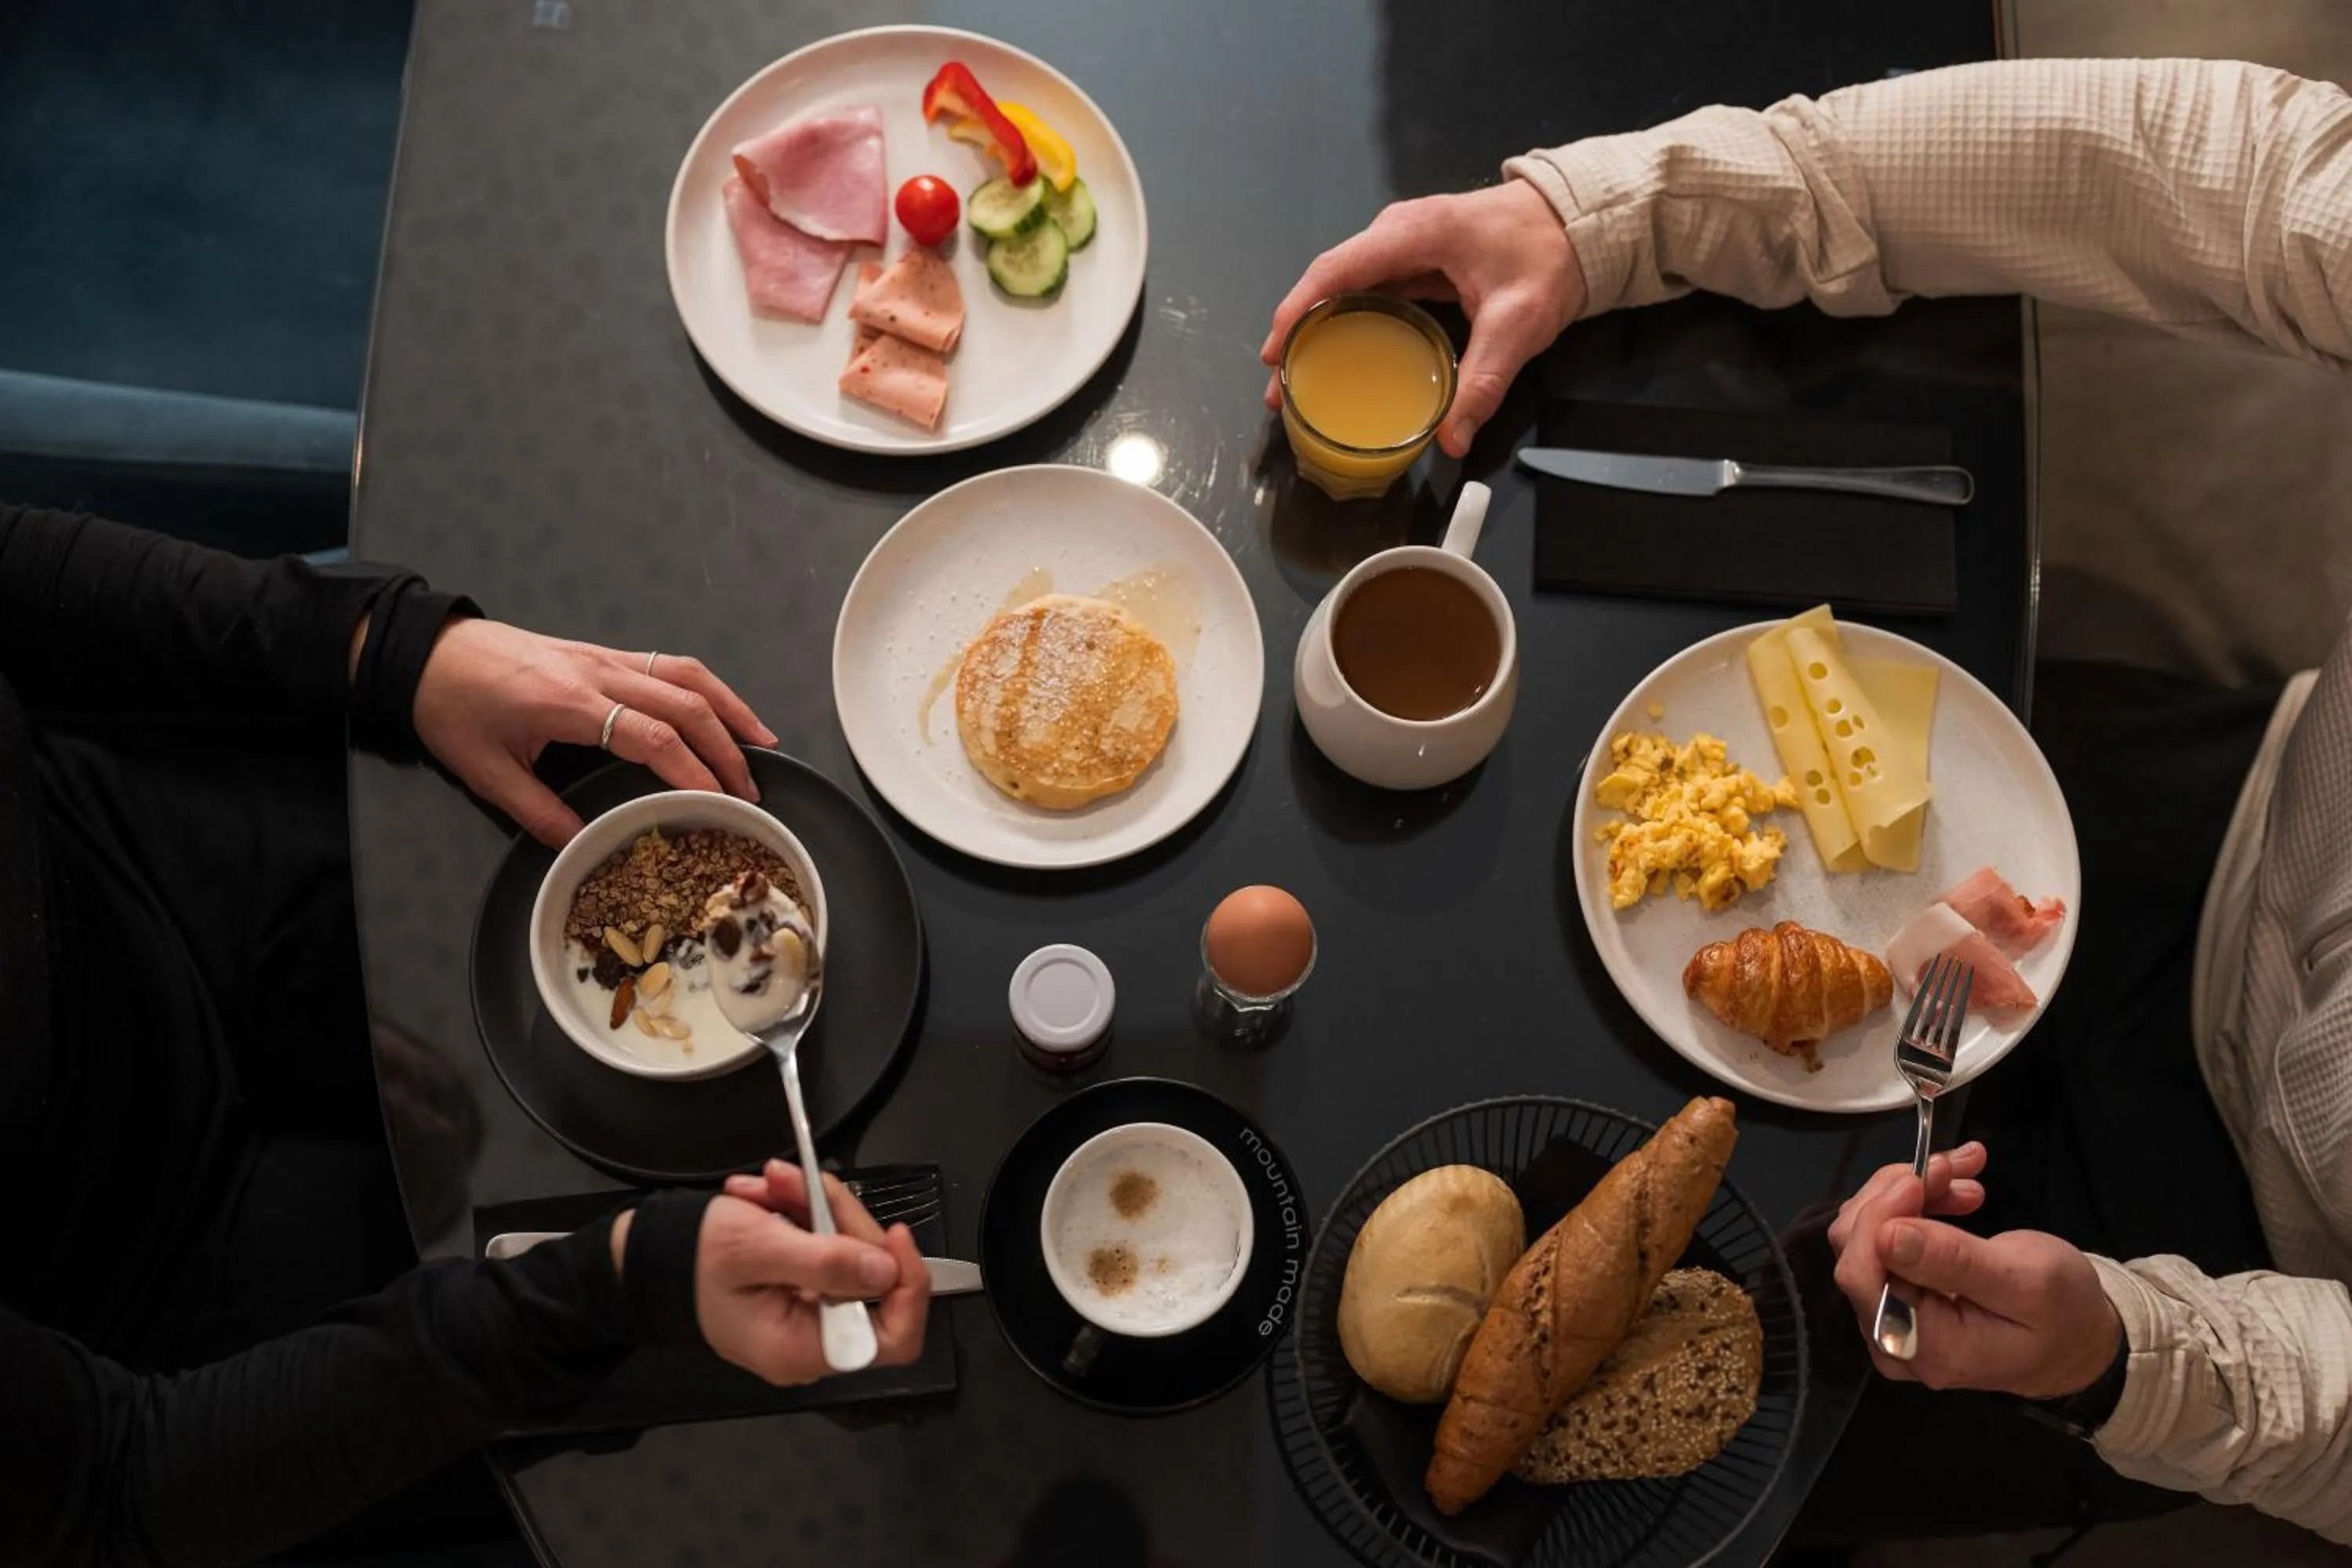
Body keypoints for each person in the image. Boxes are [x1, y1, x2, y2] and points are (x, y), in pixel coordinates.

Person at [1262, 56, 2352, 1543]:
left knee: (1782, 1450)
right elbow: (2188, 167)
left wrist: (2134, 1355)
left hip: (2227, 1259)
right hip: (2244, 801)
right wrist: (1605, 219)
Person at [0, 504, 930, 1566]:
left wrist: (396, 651)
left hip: (126, 841)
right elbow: (115, 1487)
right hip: (142, 1293)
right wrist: (616, 1287)